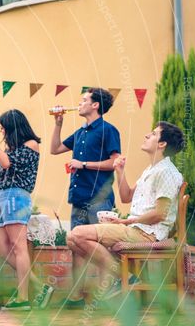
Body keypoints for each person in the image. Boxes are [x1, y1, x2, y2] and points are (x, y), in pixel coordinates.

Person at [64, 122, 185, 306]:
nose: (147, 136)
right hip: (135, 227)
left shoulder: (167, 173)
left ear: (162, 144)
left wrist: (126, 222)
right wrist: (119, 171)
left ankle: (126, 277)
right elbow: (126, 196)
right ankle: (128, 276)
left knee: (77, 234)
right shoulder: (151, 170)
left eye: (153, 134)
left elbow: (160, 214)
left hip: (147, 234)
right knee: (72, 239)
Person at [0, 110, 54, 310]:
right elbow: (7, 169)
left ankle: (23, 298)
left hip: (16, 197)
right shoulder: (17, 148)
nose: (1, 131)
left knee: (19, 248)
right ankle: (41, 287)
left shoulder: (31, 144)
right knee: (3, 250)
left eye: (3, 128)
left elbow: (6, 162)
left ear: (13, 127)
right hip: (4, 196)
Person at [50, 87, 122, 228]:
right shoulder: (80, 132)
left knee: (97, 245)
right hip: (78, 200)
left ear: (95, 105)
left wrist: (83, 164)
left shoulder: (108, 130)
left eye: (84, 100)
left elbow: (115, 162)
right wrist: (58, 123)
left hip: (99, 201)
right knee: (76, 245)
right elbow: (55, 149)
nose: (80, 104)